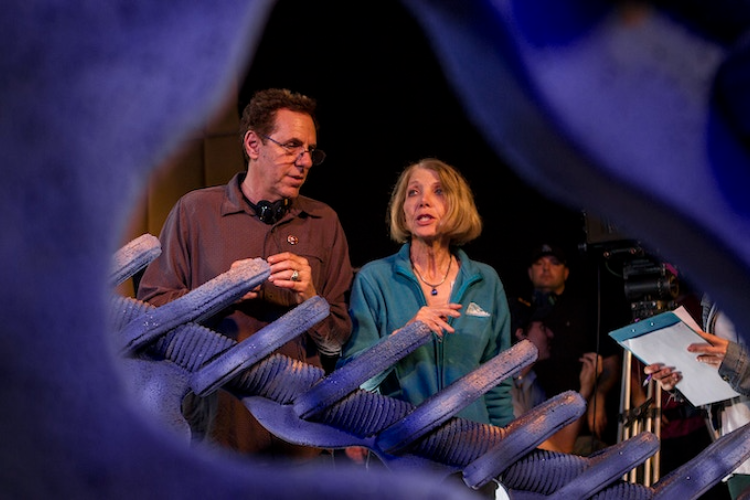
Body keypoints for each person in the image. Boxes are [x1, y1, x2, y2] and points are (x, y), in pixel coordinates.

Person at [136, 88, 354, 462]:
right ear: (253, 144)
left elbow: (336, 341)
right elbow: (151, 314)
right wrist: (220, 293)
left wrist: (311, 299)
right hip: (217, 427)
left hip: (298, 434)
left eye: (310, 151)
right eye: (292, 146)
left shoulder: (324, 222)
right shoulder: (195, 212)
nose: (304, 161)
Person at [338, 158, 514, 496]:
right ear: (402, 210)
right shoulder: (375, 279)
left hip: (471, 461)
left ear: (457, 205)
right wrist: (404, 337)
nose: (423, 201)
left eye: (438, 192)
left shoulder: (486, 281)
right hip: (398, 460)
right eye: (413, 193)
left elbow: (499, 381)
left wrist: (504, 455)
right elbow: (354, 380)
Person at [512, 243, 621, 454]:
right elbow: (557, 450)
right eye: (540, 263)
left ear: (566, 272)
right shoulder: (506, 388)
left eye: (554, 263)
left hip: (570, 426)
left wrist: (596, 393)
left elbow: (557, 447)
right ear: (520, 334)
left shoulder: (585, 310)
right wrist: (584, 392)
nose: (546, 268)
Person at [645, 296, 749, 499]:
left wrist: (735, 361)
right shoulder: (715, 296)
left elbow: (735, 362)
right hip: (737, 454)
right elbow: (720, 373)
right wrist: (682, 378)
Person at [510, 302, 603, 454]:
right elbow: (556, 453)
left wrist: (586, 391)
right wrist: (584, 392)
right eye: (542, 328)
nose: (550, 334)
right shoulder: (502, 388)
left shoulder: (531, 383)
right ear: (521, 334)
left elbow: (557, 440)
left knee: (593, 446)